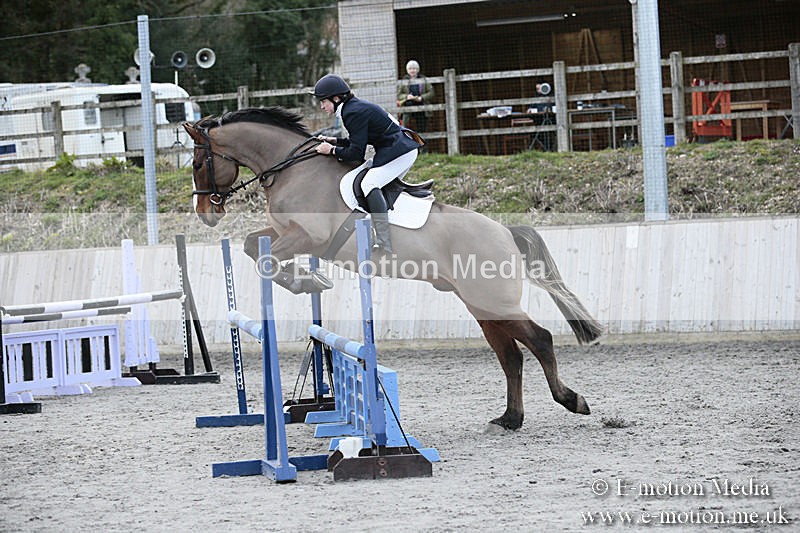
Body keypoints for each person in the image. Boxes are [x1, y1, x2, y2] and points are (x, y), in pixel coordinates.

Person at [313, 74, 422, 254]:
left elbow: (356, 152)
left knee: (369, 183)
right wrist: (334, 141)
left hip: (401, 151)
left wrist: (331, 150)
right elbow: (357, 141)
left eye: (323, 101)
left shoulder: (352, 112)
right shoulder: (351, 108)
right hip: (394, 148)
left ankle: (384, 243)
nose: (322, 106)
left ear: (336, 98)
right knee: (370, 182)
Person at [396, 60, 434, 134]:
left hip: (421, 105)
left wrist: (422, 98)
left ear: (417, 70)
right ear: (407, 70)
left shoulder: (424, 79)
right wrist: (407, 96)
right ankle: (406, 142)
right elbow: (398, 95)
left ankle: (422, 144)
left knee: (422, 128)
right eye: (410, 69)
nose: (412, 70)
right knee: (404, 127)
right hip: (408, 105)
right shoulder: (403, 80)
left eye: (414, 68)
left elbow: (431, 92)